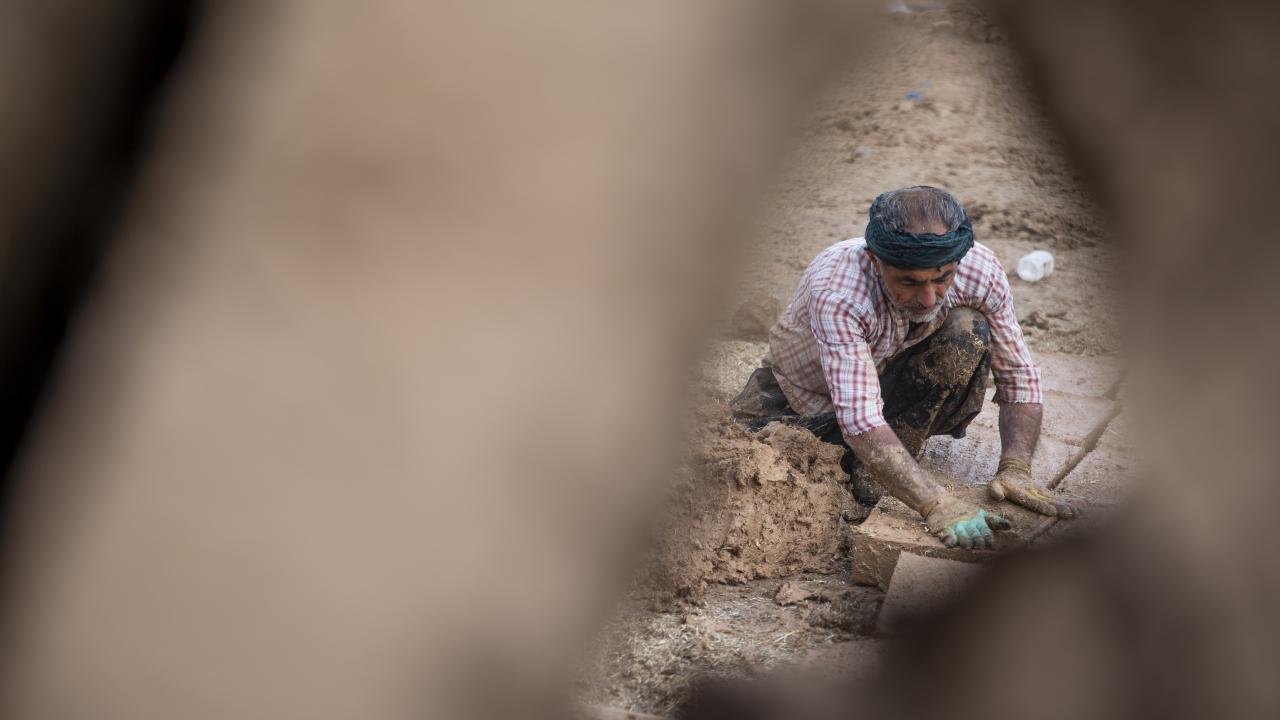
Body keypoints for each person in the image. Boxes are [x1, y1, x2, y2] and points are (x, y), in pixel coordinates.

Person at [731, 186, 1076, 549]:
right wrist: (935, 503)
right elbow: (860, 418)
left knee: (968, 329)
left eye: (942, 279)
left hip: (890, 381)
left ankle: (890, 455)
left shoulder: (978, 269)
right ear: (875, 261)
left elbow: (1019, 376)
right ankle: (871, 465)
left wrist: (1016, 468)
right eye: (909, 282)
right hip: (803, 399)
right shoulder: (839, 290)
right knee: (750, 462)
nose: (928, 298)